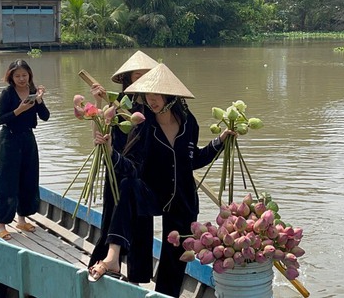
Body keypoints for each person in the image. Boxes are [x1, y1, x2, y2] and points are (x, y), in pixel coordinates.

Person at [88, 63, 235, 297]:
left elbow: (192, 159)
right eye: (148, 94)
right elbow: (132, 166)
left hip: (182, 198)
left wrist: (219, 142)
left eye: (156, 94)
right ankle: (113, 257)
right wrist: (110, 151)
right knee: (128, 185)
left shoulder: (189, 123)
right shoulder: (143, 123)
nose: (151, 99)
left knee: (174, 260)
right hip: (152, 193)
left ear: (170, 95)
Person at [87, 50, 158, 285]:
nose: (141, 81)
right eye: (137, 76)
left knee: (140, 226)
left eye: (145, 76)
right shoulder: (115, 104)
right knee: (111, 218)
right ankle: (108, 262)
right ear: (127, 78)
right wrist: (97, 105)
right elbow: (100, 136)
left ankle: (136, 280)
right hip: (116, 168)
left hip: (142, 175)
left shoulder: (154, 107)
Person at [0, 59, 50, 241]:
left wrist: (39, 101)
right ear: (11, 77)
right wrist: (19, 110)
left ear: (29, 75)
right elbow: (0, 119)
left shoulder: (33, 92)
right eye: (17, 76)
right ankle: (1, 225)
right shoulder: (7, 94)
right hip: (9, 140)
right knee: (7, 181)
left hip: (28, 139)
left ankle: (22, 219)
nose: (21, 79)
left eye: (24, 75)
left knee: (28, 179)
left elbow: (45, 117)